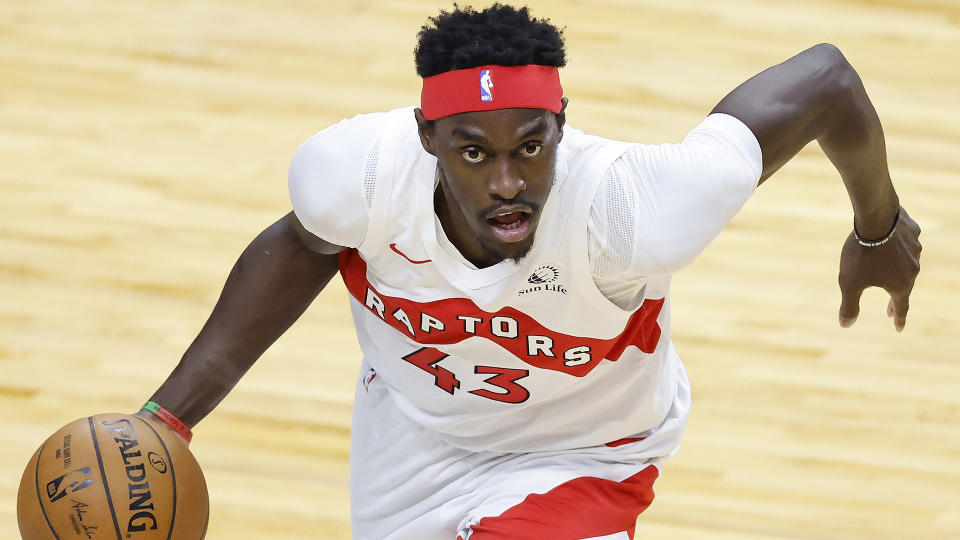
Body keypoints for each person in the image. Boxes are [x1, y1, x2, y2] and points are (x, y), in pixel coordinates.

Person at [137, 4, 921, 539]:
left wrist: (879, 225)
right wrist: (164, 420)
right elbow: (304, 246)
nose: (506, 183)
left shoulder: (627, 208)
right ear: (427, 138)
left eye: (530, 147)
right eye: (473, 153)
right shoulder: (361, 179)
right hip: (412, 441)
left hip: (587, 454)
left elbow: (825, 79)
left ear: (562, 125)